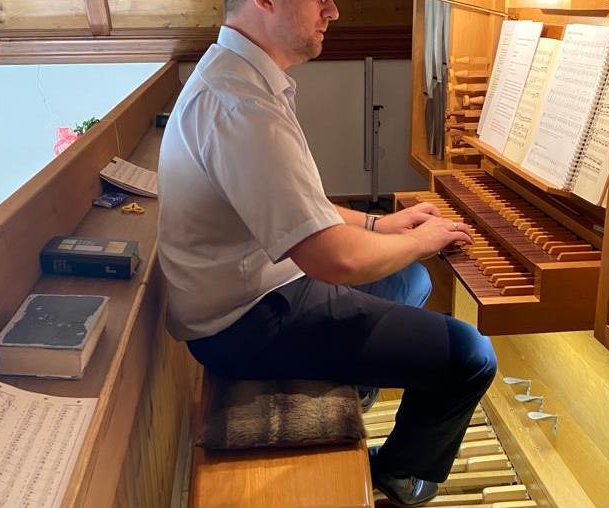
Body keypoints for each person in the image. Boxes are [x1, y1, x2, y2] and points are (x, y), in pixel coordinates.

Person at [157, 0, 497, 505]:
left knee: (411, 282)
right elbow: (333, 259)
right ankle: (399, 476)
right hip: (245, 322)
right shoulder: (240, 105)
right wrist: (421, 240)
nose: (333, 12)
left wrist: (382, 224)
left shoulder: (239, 77)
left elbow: (303, 209)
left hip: (260, 287)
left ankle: (357, 376)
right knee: (471, 355)